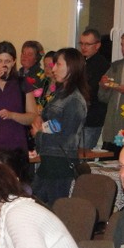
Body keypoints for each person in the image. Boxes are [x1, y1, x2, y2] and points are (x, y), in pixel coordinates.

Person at [32, 48, 89, 205]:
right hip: (49, 160)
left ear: (71, 67)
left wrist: (39, 133)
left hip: (60, 163)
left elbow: (66, 138)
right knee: (35, 205)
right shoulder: (60, 93)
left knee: (55, 209)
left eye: (58, 64)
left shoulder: (75, 99)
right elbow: (53, 124)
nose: (53, 69)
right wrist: (40, 123)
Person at [78, 29, 110, 150]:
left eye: (87, 44)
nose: (83, 47)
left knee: (84, 153)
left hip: (92, 118)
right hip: (79, 116)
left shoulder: (102, 65)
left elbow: (92, 91)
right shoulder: (81, 62)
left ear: (97, 45)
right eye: (81, 43)